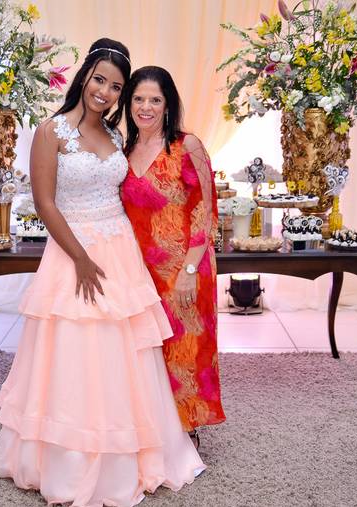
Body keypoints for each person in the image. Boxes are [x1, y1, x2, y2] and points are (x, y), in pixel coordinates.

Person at [0, 40, 205, 507]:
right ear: (84, 76)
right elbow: (45, 203)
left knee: (124, 352)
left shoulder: (113, 133)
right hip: (75, 252)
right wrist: (81, 259)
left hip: (121, 249)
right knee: (76, 349)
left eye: (116, 87)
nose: (105, 92)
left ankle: (135, 449)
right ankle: (69, 458)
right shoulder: (51, 131)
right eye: (99, 79)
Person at [120, 66, 226, 449]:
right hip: (139, 271)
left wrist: (190, 269)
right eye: (138, 99)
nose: (145, 107)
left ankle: (187, 429)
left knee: (184, 351)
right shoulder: (123, 151)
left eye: (155, 99)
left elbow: (205, 212)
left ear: (168, 105)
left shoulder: (187, 146)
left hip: (184, 267)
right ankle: (154, 425)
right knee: (147, 351)